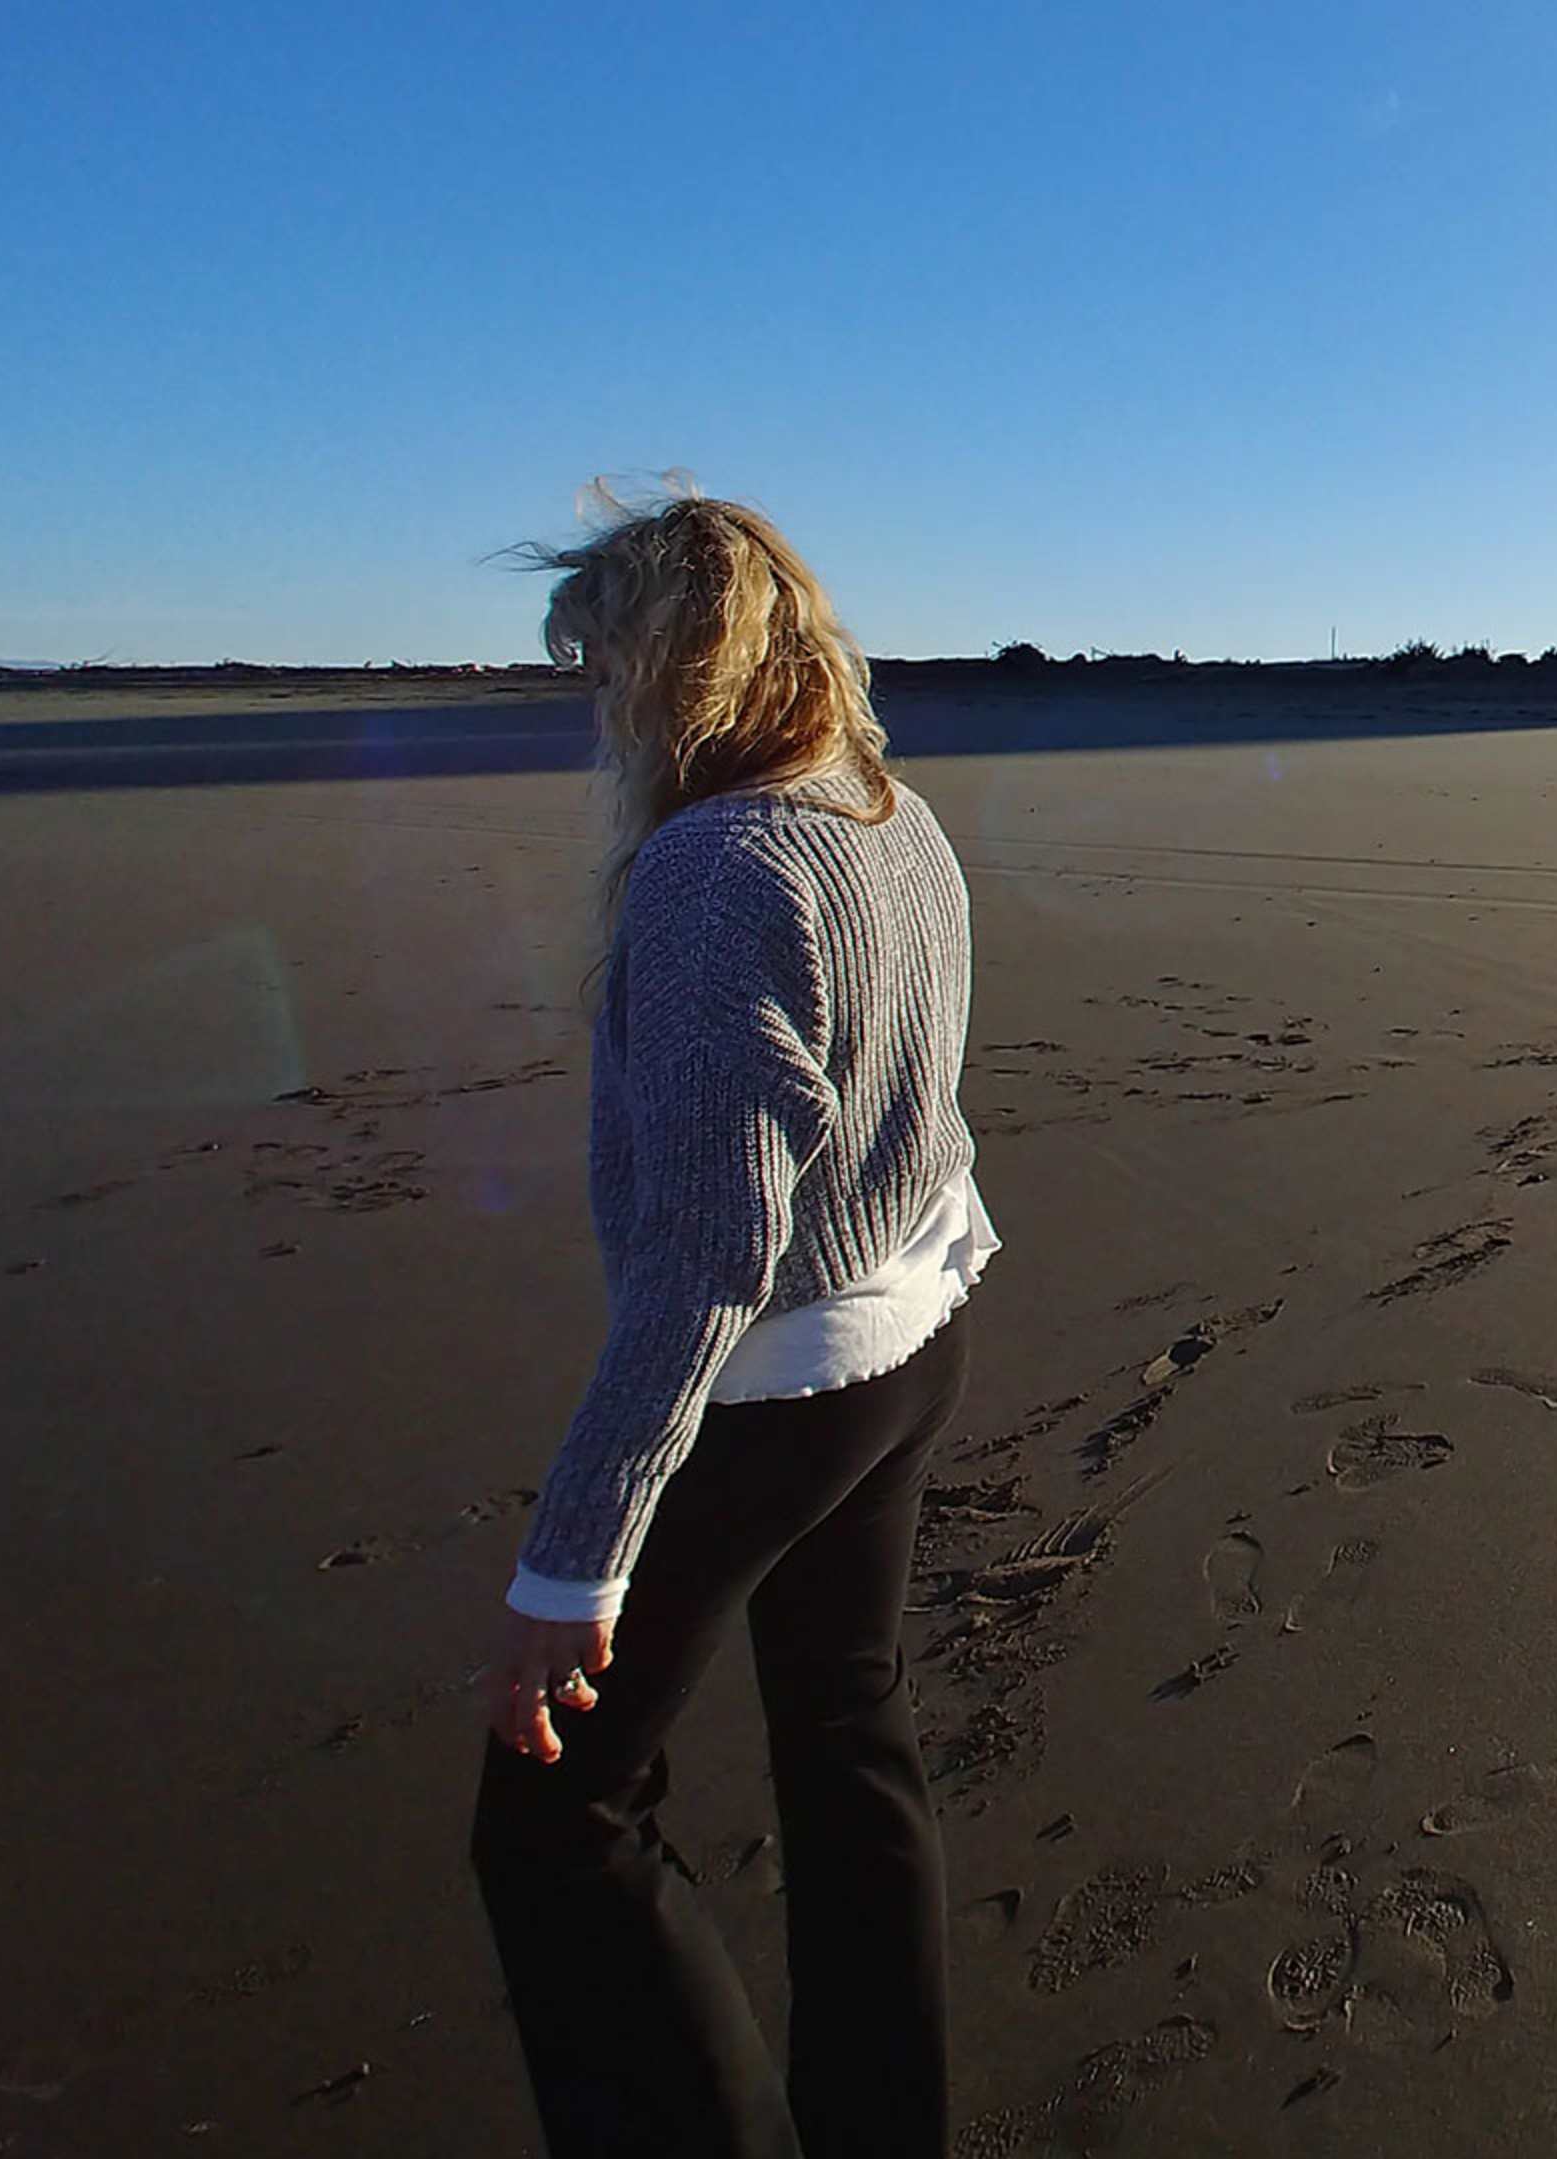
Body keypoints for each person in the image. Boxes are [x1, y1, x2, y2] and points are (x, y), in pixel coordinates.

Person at [473, 491, 993, 2157]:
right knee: (849, 1741)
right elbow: (926, 1117)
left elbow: (709, 1259)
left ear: (672, 668)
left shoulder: (717, 868)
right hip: (913, 1347)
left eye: (600, 662)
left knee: (558, 1827)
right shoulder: (890, 817)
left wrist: (573, 1565)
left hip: (774, 1395)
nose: (592, 700)